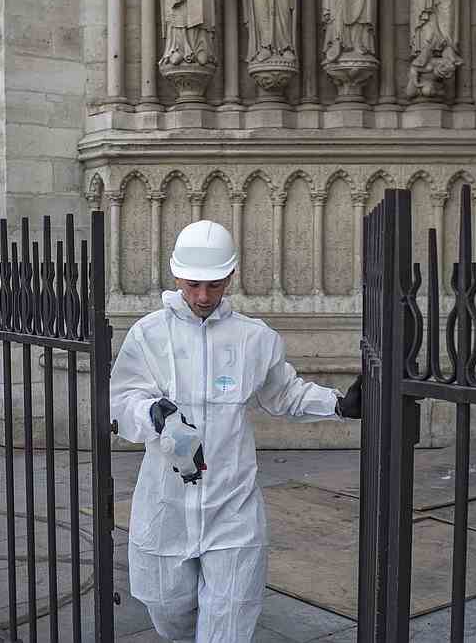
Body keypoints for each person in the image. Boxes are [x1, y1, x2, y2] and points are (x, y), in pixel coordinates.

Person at [110, 220, 363, 642]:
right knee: (168, 607)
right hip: (166, 505)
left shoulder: (253, 338)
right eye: (193, 285)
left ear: (230, 276)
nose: (203, 296)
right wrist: (152, 413)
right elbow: (120, 401)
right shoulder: (149, 335)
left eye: (213, 285)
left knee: (228, 622)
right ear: (176, 275)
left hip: (233, 506)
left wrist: (338, 404)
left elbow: (284, 393)